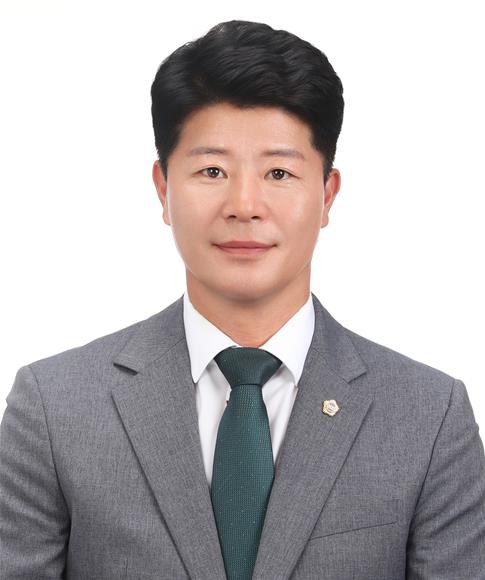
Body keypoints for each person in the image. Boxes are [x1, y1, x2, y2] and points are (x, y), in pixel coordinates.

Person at [1, 19, 484, 580]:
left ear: (327, 195)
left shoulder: (429, 416)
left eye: (279, 172)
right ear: (163, 189)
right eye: (212, 170)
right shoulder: (54, 407)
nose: (245, 205)